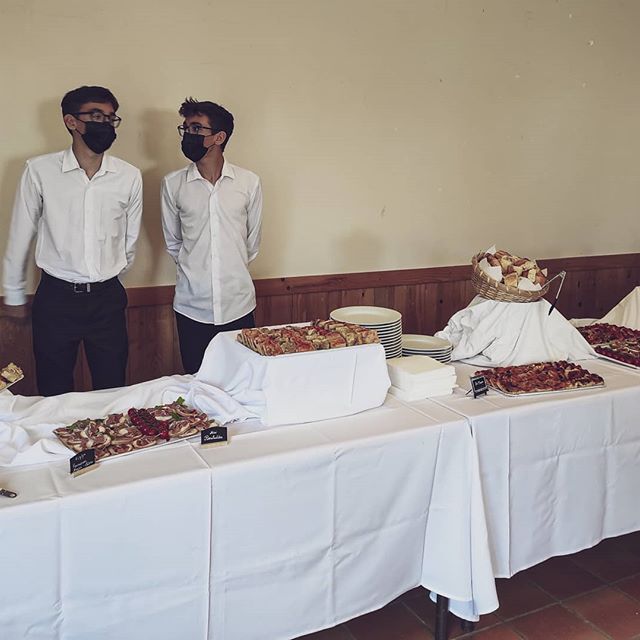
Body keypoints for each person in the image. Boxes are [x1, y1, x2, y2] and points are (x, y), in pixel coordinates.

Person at [1, 85, 143, 396]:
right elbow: (20, 234)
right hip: (56, 298)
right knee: (54, 390)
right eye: (96, 116)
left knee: (112, 389)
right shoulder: (40, 171)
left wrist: (107, 274)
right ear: (71, 121)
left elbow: (129, 241)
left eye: (111, 117)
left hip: (107, 299)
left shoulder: (129, 176)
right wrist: (13, 293)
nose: (106, 124)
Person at [161, 98, 263, 374]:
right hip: (192, 307)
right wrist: (198, 268)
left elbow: (251, 243)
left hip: (238, 305)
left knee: (241, 381)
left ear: (219, 137)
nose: (188, 135)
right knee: (198, 381)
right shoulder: (173, 184)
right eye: (185, 128)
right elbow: (174, 242)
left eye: (196, 129)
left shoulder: (248, 183)